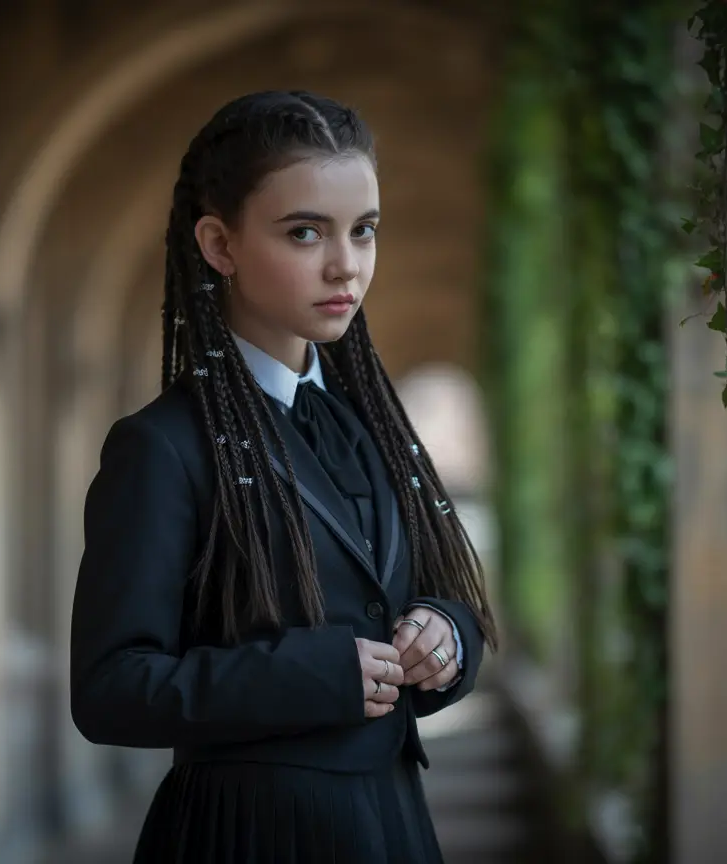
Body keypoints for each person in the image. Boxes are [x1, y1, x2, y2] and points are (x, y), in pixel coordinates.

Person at [70, 89, 498, 864]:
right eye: (305, 232)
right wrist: (312, 673)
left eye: (363, 231)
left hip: (394, 822)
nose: (346, 265)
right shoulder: (160, 447)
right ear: (219, 243)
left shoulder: (371, 422)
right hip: (249, 833)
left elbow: (428, 596)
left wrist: (448, 637)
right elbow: (110, 690)